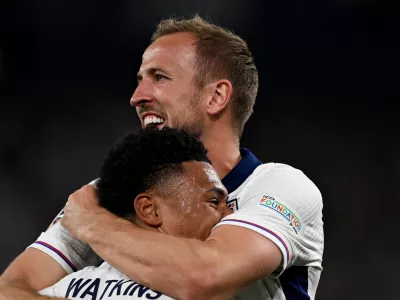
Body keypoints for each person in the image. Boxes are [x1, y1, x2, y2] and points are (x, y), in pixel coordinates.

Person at [0, 15, 324, 300]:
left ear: (216, 96)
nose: (137, 98)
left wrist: (94, 224)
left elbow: (204, 279)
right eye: (140, 80)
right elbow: (11, 288)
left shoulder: (278, 186)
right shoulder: (111, 189)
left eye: (159, 77)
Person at [37, 127, 231, 300]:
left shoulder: (63, 290)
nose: (230, 214)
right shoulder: (212, 286)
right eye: (214, 202)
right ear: (150, 210)